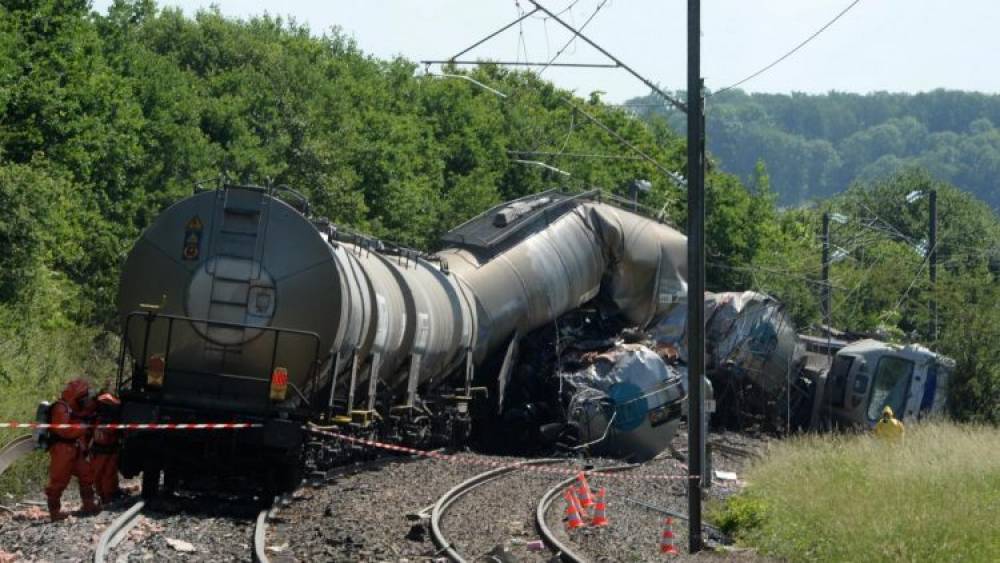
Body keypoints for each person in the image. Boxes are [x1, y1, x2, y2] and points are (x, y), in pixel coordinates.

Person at [45, 378, 99, 521]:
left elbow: (87, 410)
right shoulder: (60, 408)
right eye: (84, 397)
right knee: (58, 481)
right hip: (62, 449)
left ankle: (89, 505)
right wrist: (82, 427)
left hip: (75, 447)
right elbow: (64, 431)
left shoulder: (75, 408)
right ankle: (54, 512)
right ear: (77, 396)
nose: (86, 400)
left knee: (87, 474)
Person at [90, 391, 123, 505]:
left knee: (104, 474)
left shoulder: (98, 419)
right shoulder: (101, 420)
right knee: (103, 474)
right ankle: (105, 497)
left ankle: (106, 497)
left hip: (105, 450)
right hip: (103, 450)